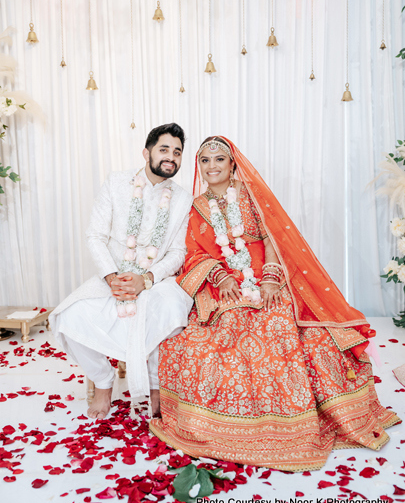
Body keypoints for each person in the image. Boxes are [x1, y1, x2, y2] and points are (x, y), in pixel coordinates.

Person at [150, 136, 401, 471]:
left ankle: (291, 424)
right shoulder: (197, 207)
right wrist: (221, 278)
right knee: (218, 334)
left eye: (219, 159)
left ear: (232, 164)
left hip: (266, 278)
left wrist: (270, 276)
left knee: (280, 325)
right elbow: (194, 253)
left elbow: (274, 239)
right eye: (205, 161)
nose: (211, 167)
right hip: (223, 285)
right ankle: (223, 424)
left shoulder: (252, 196)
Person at [50, 123, 193, 420]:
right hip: (112, 275)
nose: (171, 157)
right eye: (164, 149)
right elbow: (95, 236)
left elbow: (178, 252)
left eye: (177, 152)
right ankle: (103, 381)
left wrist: (147, 279)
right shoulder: (116, 183)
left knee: (168, 314)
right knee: (69, 317)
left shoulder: (182, 199)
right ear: (146, 152)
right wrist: (111, 277)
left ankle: (155, 388)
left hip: (157, 280)